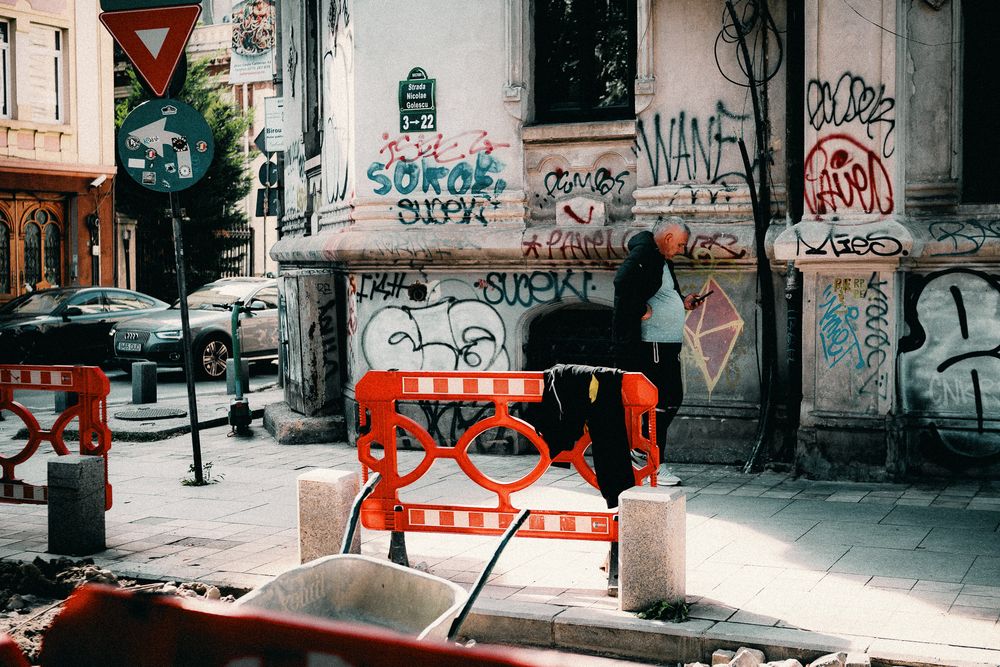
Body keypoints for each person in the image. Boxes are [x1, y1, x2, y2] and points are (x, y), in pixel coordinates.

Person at [612, 219, 705, 481]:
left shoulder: (660, 260)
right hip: (652, 344)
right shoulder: (644, 254)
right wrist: (639, 309)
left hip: (666, 344)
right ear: (668, 238)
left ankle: (646, 456)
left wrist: (682, 302)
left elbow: (661, 293)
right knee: (662, 402)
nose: (681, 249)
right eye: (680, 244)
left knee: (669, 400)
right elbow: (621, 282)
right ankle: (650, 460)